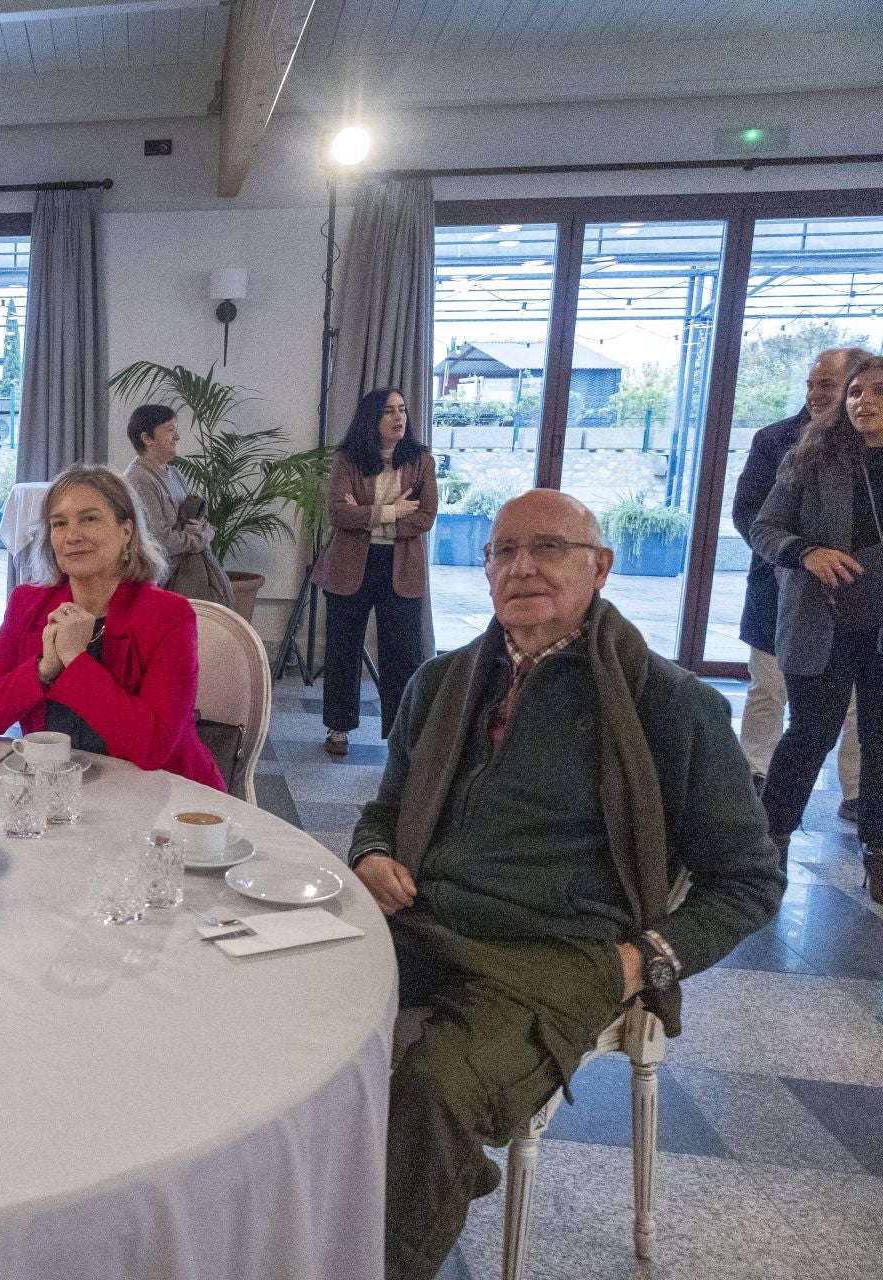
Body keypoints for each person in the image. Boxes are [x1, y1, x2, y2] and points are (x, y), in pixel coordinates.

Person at [351, 489, 783, 1280]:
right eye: (503, 551)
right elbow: (384, 810)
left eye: (547, 548)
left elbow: (749, 883)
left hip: (555, 953)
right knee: (274, 999)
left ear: (599, 567)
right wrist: (373, 856)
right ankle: (291, 1217)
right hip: (423, 920)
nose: (522, 567)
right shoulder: (443, 684)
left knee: (435, 1089)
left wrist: (644, 960)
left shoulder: (672, 707)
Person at [0, 465, 224, 788]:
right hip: (57, 794)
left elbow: (152, 747)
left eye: (89, 519)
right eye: (59, 523)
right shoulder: (27, 604)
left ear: (125, 531)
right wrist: (43, 670)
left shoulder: (168, 615)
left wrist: (76, 661)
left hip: (164, 800)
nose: (73, 536)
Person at [751, 353, 883, 894]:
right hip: (821, 621)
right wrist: (806, 553)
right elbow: (763, 527)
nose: (863, 402)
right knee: (811, 734)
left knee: (881, 740)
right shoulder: (811, 458)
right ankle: (768, 842)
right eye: (855, 393)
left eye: (876, 391)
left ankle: (877, 851)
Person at [733, 346, 865, 817]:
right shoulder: (778, 440)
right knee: (772, 691)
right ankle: (754, 773)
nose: (814, 394)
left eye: (826, 385)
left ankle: (857, 793)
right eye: (811, 384)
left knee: (856, 710)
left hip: (862, 606)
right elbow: (750, 513)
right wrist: (793, 556)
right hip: (781, 590)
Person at [313, 387, 438, 755]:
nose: (399, 417)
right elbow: (338, 513)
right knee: (342, 649)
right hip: (350, 565)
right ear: (372, 418)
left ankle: (400, 734)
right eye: (388, 411)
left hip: (400, 566)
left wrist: (367, 515)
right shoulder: (349, 459)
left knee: (403, 654)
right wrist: (391, 512)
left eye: (402, 410)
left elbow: (426, 516)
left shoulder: (421, 460)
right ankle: (338, 728)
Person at [121, 403, 232, 607]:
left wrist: (204, 529)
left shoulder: (175, 474)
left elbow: (191, 520)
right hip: (159, 584)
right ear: (147, 438)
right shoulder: (140, 480)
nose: (177, 436)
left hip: (183, 576)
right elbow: (158, 541)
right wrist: (200, 539)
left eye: (176, 429)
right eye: (170, 430)